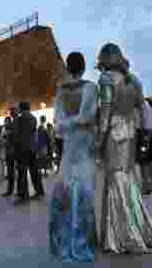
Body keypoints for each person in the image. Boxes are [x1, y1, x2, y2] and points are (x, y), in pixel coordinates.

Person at [94, 43, 152, 253]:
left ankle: (122, 234)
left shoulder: (106, 79)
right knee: (127, 178)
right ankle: (139, 228)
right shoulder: (134, 79)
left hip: (114, 133)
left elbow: (106, 111)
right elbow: (141, 110)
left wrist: (99, 140)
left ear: (104, 59)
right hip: (130, 132)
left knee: (115, 179)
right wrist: (143, 133)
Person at [48, 52, 97, 262]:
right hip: (85, 143)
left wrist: (68, 124)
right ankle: (83, 238)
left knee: (67, 188)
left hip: (69, 144)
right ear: (84, 67)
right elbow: (90, 117)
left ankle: (65, 238)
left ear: (68, 68)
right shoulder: (91, 88)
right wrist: (80, 123)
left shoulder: (61, 90)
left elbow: (57, 124)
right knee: (85, 189)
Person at [11, 102, 41, 204]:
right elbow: (33, 133)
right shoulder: (33, 118)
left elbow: (16, 135)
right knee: (34, 171)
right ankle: (39, 191)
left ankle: (23, 195)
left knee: (22, 173)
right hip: (31, 149)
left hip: (22, 149)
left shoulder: (19, 119)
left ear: (21, 109)